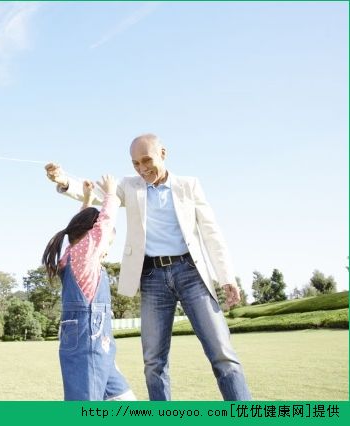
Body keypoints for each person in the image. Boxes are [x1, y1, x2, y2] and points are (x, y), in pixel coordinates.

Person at [45, 133, 251, 401]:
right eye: (135, 164)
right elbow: (97, 194)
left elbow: (212, 233)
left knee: (222, 353)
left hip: (190, 272)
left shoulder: (189, 186)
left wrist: (226, 277)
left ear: (163, 153)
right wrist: (63, 180)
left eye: (147, 161)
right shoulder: (130, 187)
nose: (142, 169)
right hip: (152, 277)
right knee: (154, 362)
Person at [43, 175, 135, 401]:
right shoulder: (83, 258)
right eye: (106, 246)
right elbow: (102, 225)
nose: (105, 252)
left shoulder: (71, 254)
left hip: (99, 348)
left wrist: (86, 199)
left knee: (125, 400)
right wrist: (111, 194)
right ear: (89, 239)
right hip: (88, 345)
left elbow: (80, 226)